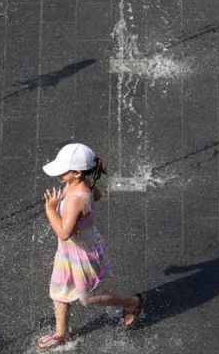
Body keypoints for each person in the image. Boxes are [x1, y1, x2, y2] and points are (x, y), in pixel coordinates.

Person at [37, 143, 142, 349]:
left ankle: (131, 303)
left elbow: (64, 233)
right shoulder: (80, 184)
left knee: (87, 298)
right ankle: (60, 334)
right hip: (69, 252)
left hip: (82, 253)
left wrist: (50, 209)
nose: (59, 174)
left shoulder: (77, 197)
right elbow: (98, 195)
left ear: (76, 173)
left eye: (63, 170)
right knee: (59, 291)